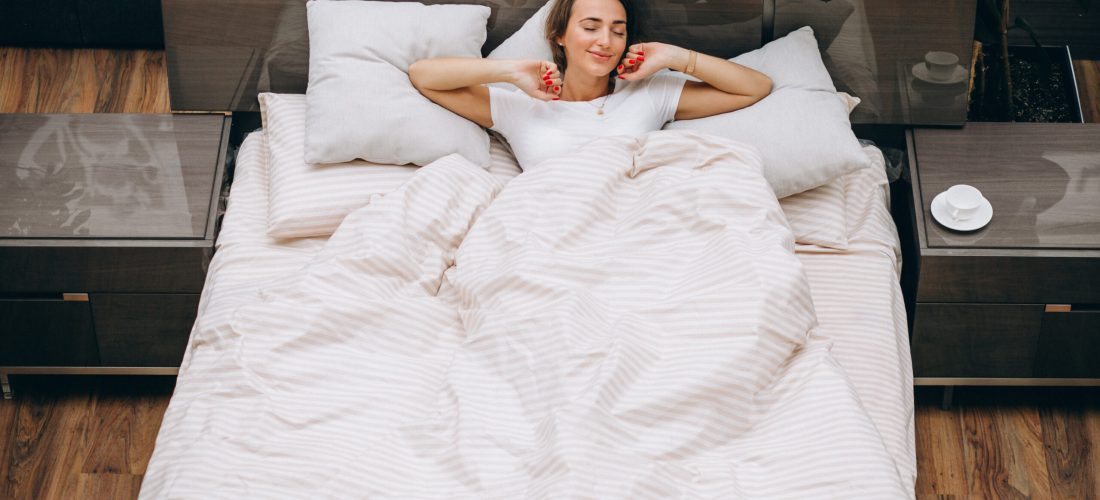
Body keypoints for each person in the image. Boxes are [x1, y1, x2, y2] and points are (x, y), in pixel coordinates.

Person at [409, 0, 772, 171]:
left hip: (633, 224)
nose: (606, 41)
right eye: (591, 27)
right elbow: (424, 76)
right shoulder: (520, 104)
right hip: (552, 229)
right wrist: (509, 71)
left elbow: (754, 87)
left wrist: (674, 56)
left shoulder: (648, 94)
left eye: (618, 31)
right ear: (560, 36)